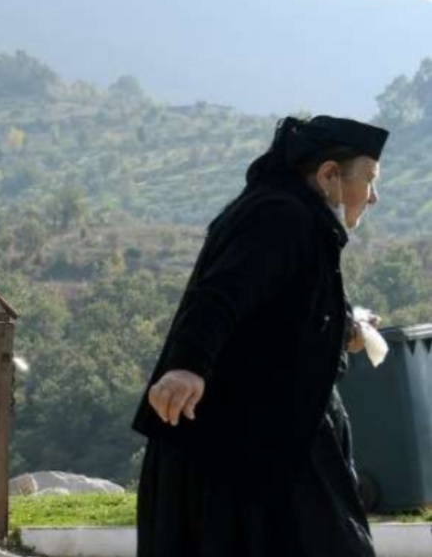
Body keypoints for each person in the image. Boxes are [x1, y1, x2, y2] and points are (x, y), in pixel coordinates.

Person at [133, 115, 388, 557]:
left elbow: (281, 308)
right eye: (368, 179)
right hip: (236, 452)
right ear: (328, 175)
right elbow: (220, 295)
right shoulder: (281, 216)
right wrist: (186, 367)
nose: (374, 196)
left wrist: (346, 328)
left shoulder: (300, 219)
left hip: (272, 444)